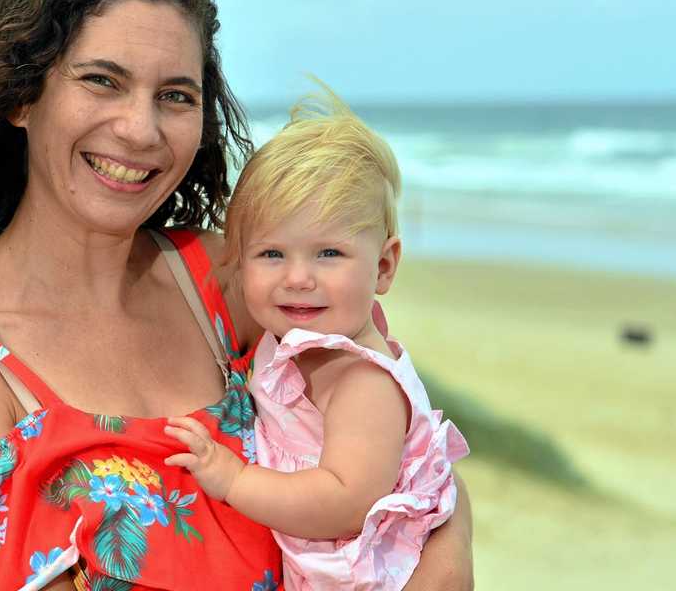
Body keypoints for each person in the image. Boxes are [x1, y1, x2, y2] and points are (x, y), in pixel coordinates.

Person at [0, 0, 473, 590]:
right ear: (22, 95)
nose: (140, 129)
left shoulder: (232, 281)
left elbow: (419, 473)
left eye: (176, 96)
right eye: (102, 80)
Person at [165, 87, 469, 590]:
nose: (298, 278)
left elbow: (346, 501)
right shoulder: (296, 339)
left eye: (328, 253)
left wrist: (234, 480)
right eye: (271, 254)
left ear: (384, 266)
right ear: (237, 263)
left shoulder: (361, 380)